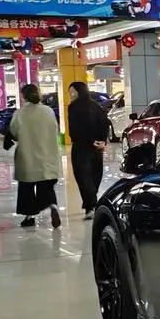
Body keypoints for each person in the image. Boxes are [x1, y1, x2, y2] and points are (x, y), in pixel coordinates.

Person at [5, 84, 61, 229]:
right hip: (48, 154)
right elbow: (55, 130)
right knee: (46, 185)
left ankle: (29, 217)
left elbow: (14, 132)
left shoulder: (20, 113)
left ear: (23, 97)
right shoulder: (48, 111)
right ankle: (53, 205)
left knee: (27, 188)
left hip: (27, 155)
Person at [67, 80, 108, 219]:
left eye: (73, 92)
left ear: (79, 92)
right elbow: (104, 123)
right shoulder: (96, 106)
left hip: (81, 147)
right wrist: (102, 141)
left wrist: (92, 141)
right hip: (96, 148)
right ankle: (92, 203)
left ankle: (90, 205)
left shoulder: (73, 107)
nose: (71, 95)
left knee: (83, 177)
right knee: (95, 175)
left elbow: (74, 129)